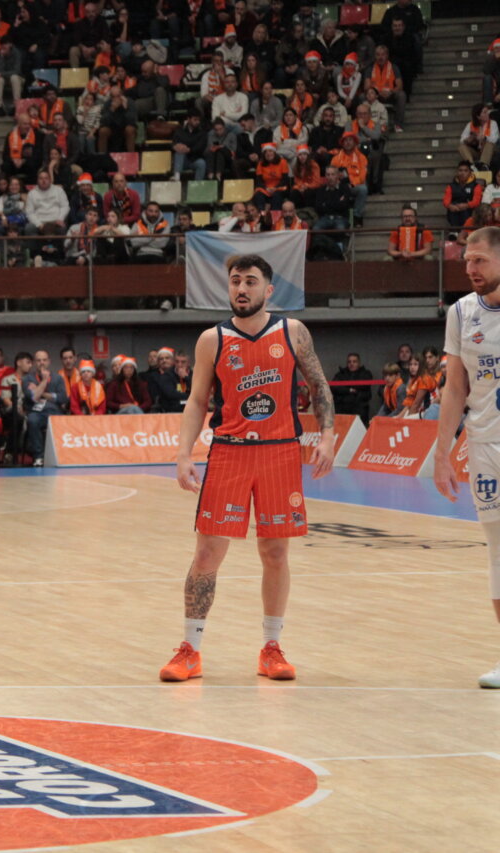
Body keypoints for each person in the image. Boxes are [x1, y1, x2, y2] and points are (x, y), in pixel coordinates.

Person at [161, 254, 336, 684]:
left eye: (251, 281)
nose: (242, 288)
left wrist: (328, 434)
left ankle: (271, 648)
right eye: (235, 281)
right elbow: (198, 401)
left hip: (280, 452)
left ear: (268, 289)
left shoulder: (292, 332)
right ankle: (190, 650)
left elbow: (318, 384)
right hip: (229, 453)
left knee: (275, 553)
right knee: (206, 554)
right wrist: (184, 453)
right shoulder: (211, 339)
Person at [434, 225, 500, 687]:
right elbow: (455, 387)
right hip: (485, 447)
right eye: (467, 262)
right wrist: (442, 452)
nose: (471, 269)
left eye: (480, 261)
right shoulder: (461, 312)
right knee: (498, 554)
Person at [23, 349, 68, 466]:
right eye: (38, 360)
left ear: (49, 362)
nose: (41, 363)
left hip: (54, 411)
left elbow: (63, 398)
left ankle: (62, 455)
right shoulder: (27, 379)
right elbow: (32, 398)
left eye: (44, 360)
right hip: (36, 412)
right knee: (32, 420)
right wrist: (43, 381)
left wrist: (41, 393)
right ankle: (39, 457)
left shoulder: (58, 378)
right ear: (34, 363)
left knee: (62, 421)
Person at [332, 352, 373, 423]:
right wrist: (349, 390)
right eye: (349, 362)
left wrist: (344, 387)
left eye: (354, 361)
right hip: (342, 407)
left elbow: (363, 385)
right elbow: (334, 387)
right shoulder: (341, 374)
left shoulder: (366, 373)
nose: (351, 364)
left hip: (359, 407)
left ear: (359, 363)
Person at [444, 161, 483, 230]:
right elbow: (446, 201)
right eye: (460, 170)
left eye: (465, 171)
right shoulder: (450, 186)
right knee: (453, 208)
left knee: (465, 210)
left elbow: (476, 202)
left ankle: (465, 231)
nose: (462, 173)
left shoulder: (476, 186)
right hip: (454, 210)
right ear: (457, 172)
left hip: (469, 211)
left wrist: (466, 205)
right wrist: (450, 206)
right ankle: (454, 232)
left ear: (470, 172)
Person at [461, 103, 499, 172]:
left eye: (487, 111)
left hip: (489, 151)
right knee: (462, 147)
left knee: (489, 144)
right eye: (485, 112)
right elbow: (462, 139)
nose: (488, 113)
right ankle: (472, 166)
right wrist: (469, 139)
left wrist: (484, 138)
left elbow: (494, 139)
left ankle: (483, 166)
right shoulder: (470, 125)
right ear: (478, 116)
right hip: (477, 151)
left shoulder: (493, 123)